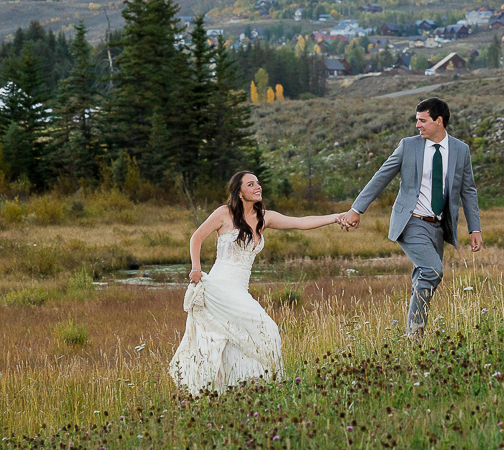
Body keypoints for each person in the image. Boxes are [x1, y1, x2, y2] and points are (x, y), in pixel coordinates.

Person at [169, 170, 345, 395]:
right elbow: (196, 237)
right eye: (251, 184)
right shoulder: (224, 213)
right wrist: (196, 268)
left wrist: (336, 216)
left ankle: (239, 388)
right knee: (266, 328)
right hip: (220, 285)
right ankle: (260, 385)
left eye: (258, 184)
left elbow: (300, 222)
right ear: (240, 192)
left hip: (240, 288)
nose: (257, 187)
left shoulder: (265, 217)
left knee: (237, 339)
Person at [339, 97, 482, 339]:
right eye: (417, 120)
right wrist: (357, 209)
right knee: (433, 271)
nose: (418, 125)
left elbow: (468, 190)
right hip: (411, 222)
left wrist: (474, 228)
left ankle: (414, 334)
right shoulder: (408, 146)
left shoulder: (460, 150)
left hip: (439, 226)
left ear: (439, 121)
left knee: (424, 276)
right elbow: (381, 177)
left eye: (422, 120)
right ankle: (414, 333)